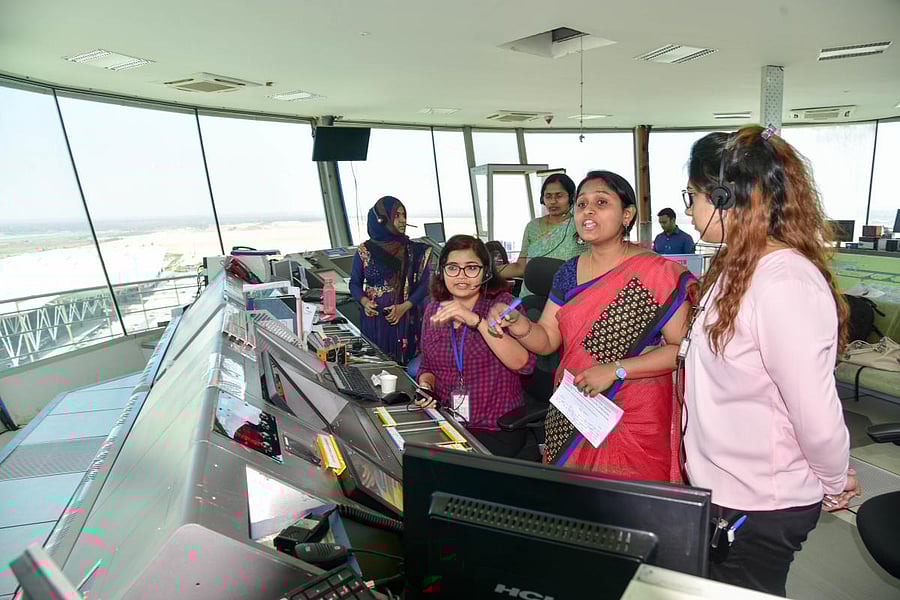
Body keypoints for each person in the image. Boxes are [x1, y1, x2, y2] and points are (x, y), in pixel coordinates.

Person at [681, 126, 857, 596]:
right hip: (726, 489)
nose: (690, 210)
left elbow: (814, 410)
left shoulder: (784, 282)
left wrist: (834, 479)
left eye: (692, 196)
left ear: (725, 197)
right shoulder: (737, 268)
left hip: (760, 501)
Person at [488, 171, 696, 479]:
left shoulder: (659, 273)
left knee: (628, 504)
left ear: (627, 215)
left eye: (601, 203)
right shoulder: (568, 273)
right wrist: (519, 325)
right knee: (574, 500)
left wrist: (615, 370)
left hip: (635, 415)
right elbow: (547, 340)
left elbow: (682, 350)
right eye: (582, 204)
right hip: (576, 407)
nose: (588, 211)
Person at [415, 235, 536, 458]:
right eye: (453, 268)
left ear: (486, 272)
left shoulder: (502, 307)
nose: (461, 276)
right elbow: (427, 367)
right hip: (448, 421)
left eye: (471, 268)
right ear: (442, 272)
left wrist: (476, 321)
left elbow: (523, 364)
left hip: (494, 428)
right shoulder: (434, 310)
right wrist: (426, 385)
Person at [349, 196, 431, 365]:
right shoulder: (364, 251)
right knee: (375, 364)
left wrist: (403, 308)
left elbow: (425, 285)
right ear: (382, 220)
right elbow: (354, 283)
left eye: (404, 215)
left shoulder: (413, 251)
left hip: (403, 317)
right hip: (374, 320)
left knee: (401, 366)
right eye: (396, 215)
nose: (403, 220)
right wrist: (364, 302)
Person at [497, 174, 585, 297]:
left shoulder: (581, 226)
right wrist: (485, 272)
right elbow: (521, 267)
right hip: (530, 297)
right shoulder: (532, 227)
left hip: (567, 297)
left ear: (571, 198)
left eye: (559, 196)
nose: (553, 201)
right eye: (548, 196)